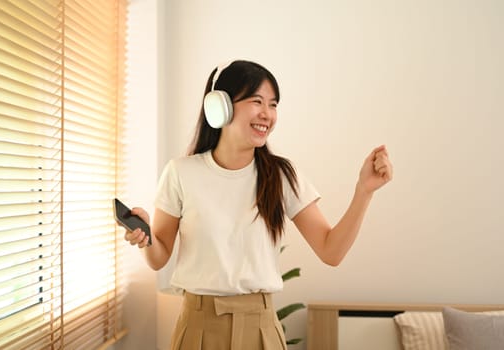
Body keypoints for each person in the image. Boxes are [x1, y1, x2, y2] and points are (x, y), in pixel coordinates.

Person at [123, 60, 393, 350]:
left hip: (261, 330)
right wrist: (146, 237)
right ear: (220, 106)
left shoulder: (281, 176)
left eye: (273, 104)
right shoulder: (180, 172)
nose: (267, 114)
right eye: (257, 101)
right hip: (198, 328)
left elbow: (331, 251)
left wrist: (364, 191)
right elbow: (159, 257)